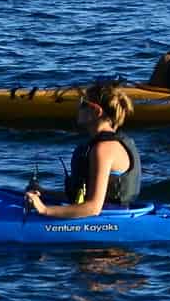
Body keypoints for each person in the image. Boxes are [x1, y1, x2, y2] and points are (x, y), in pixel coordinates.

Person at [27, 79, 139, 219]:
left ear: (96, 111)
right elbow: (84, 197)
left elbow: (93, 207)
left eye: (83, 104)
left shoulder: (104, 149)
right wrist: (44, 193)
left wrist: (44, 210)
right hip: (102, 212)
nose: (78, 107)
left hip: (110, 219)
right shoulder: (99, 144)